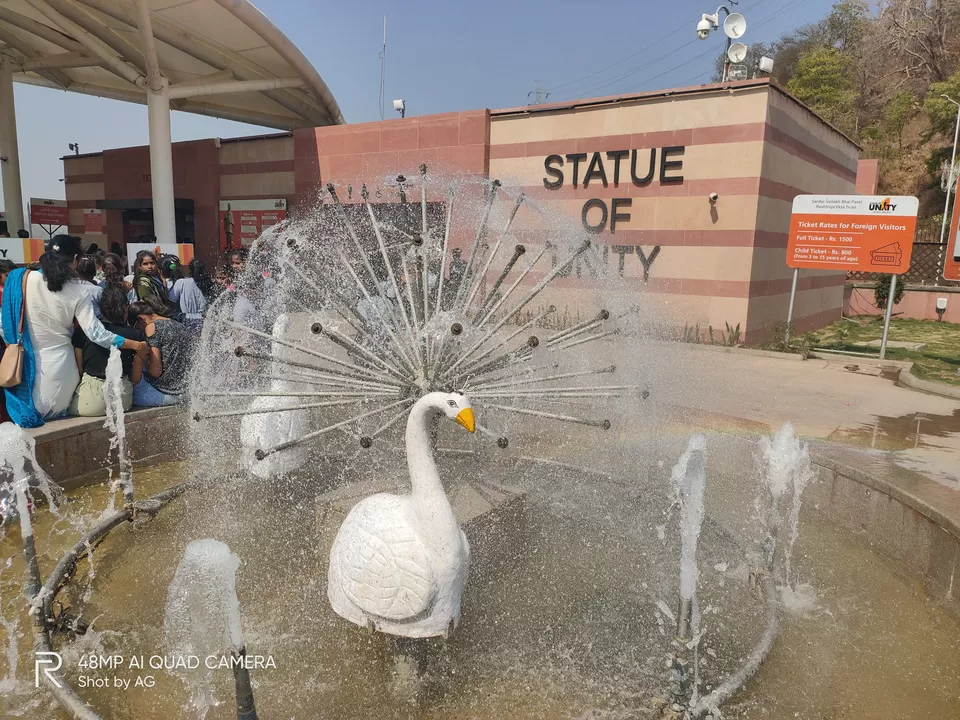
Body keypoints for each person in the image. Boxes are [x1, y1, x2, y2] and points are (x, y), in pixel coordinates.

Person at [0, 235, 149, 426]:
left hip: (25, 366)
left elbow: (5, 326)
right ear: (76, 260)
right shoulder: (78, 291)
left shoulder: (20, 278)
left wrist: (14, 347)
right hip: (61, 372)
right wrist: (135, 344)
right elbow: (96, 334)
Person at [68, 284, 145, 416]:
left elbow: (79, 370)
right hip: (122, 400)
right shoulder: (136, 336)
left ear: (102, 308)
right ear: (126, 307)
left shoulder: (85, 332)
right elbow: (136, 378)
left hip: (90, 401)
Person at [129, 298, 191, 407]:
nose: (139, 331)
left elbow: (155, 371)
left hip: (166, 392)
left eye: (136, 327)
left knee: (131, 388)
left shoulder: (151, 328)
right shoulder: (178, 325)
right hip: (185, 390)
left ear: (140, 319)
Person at [169, 259, 209, 332]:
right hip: (204, 320)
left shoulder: (181, 282)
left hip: (186, 319)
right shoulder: (208, 283)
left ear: (190, 270)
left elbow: (171, 298)